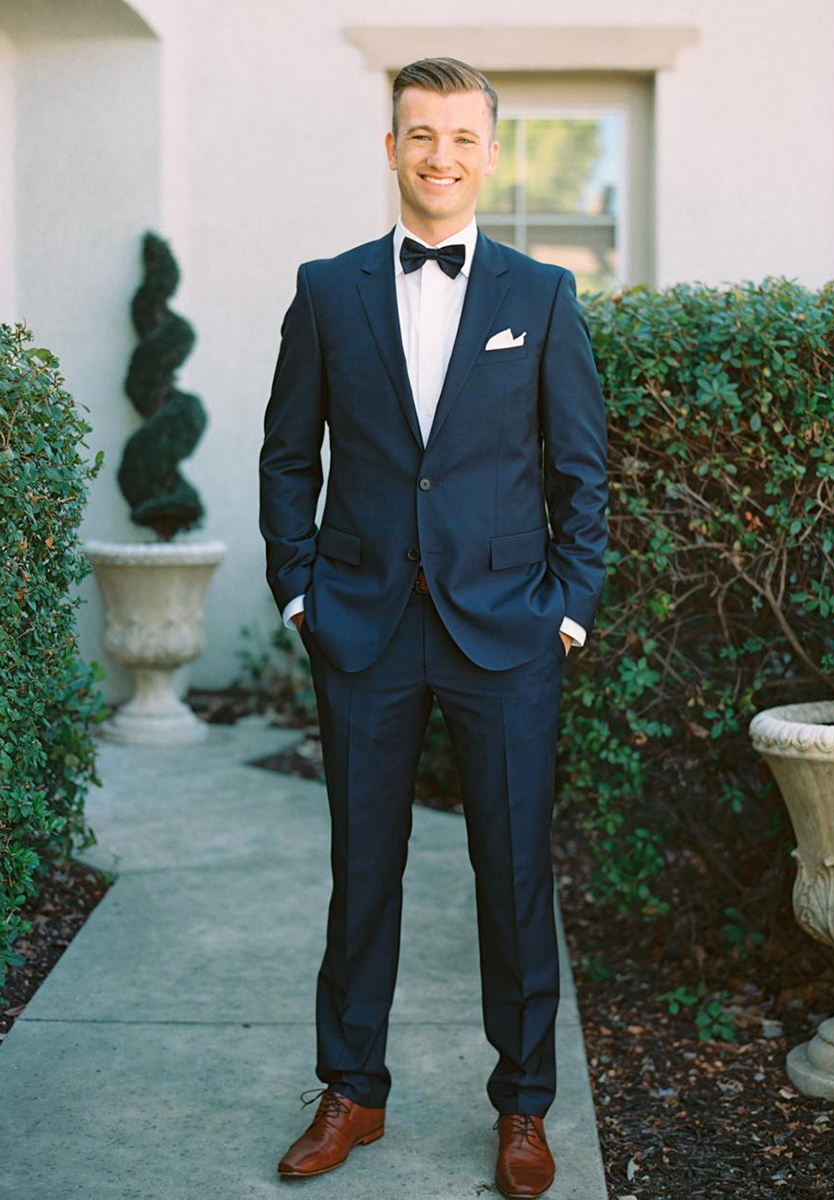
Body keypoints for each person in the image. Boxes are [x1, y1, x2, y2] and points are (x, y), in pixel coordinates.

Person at [259, 55, 608, 1199]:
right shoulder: (326, 289)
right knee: (363, 871)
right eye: (420, 135)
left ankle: (522, 1108)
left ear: (489, 153)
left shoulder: (541, 296)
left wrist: (566, 608)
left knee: (512, 878)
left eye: (460, 138)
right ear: (392, 144)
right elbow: (285, 455)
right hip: (361, 626)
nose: (439, 156)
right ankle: (352, 1089)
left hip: (506, 632)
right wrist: (299, 589)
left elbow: (580, 472)